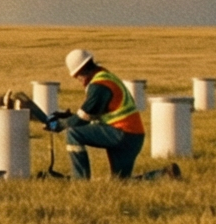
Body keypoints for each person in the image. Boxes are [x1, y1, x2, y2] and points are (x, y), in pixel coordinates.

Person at [51, 48, 148, 180]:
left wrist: (60, 124)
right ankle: (166, 174)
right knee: (121, 181)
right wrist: (69, 117)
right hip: (133, 136)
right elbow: (92, 115)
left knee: (73, 133)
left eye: (76, 76)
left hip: (122, 133)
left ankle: (79, 180)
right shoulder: (104, 75)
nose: (78, 80)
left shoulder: (99, 85)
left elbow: (83, 119)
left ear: (82, 71)